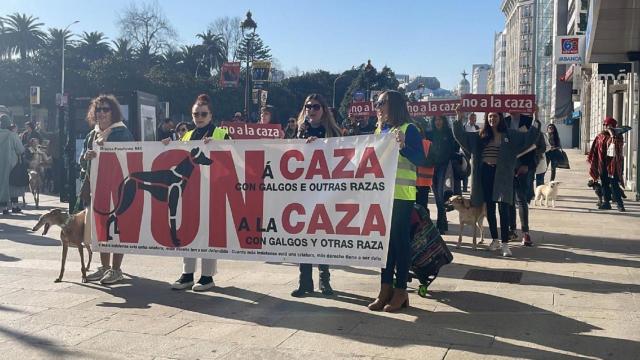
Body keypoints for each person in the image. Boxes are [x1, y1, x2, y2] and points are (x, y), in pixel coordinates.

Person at [164, 94, 230, 291]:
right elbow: (177, 160)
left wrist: (218, 148)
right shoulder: (186, 136)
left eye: (203, 114)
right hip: (190, 192)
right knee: (187, 230)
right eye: (195, 114)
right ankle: (187, 274)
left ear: (211, 115)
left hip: (213, 191)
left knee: (209, 233)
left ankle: (207, 276)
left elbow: (234, 161)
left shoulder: (221, 134)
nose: (199, 117)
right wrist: (167, 146)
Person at [368, 90, 426, 313]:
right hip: (382, 195)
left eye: (382, 102)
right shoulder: (379, 130)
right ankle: (385, 289)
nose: (378, 107)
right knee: (384, 244)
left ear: (395, 105)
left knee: (400, 243)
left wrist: (403, 146)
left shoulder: (409, 129)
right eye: (377, 103)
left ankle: (401, 290)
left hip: (402, 195)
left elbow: (421, 159)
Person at [453, 110, 540, 257]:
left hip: (503, 175)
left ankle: (505, 243)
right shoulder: (480, 135)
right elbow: (461, 137)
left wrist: (536, 118)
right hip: (485, 173)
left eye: (495, 116)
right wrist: (459, 118)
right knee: (490, 209)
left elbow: (529, 138)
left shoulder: (510, 135)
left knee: (504, 208)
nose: (492, 118)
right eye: (490, 116)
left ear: (500, 118)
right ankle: (495, 240)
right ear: (487, 118)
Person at [291, 94, 342, 298]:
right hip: (303, 191)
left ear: (324, 110)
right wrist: (300, 140)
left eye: (316, 106)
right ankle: (304, 282)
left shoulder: (333, 132)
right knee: (304, 237)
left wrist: (321, 144)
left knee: (321, 236)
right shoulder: (299, 130)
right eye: (308, 106)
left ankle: (324, 280)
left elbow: (342, 158)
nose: (311, 110)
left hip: (325, 191)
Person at [81, 95, 134, 284]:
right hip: (98, 187)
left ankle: (116, 269)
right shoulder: (92, 134)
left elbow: (130, 158)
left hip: (117, 187)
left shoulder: (122, 133)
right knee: (101, 227)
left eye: (106, 109)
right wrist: (86, 157)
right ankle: (104, 267)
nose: (101, 113)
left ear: (114, 112)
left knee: (117, 228)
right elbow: (82, 161)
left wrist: (107, 152)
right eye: (98, 110)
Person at [425, 116, 457, 234]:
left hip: (443, 166)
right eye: (436, 120)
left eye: (440, 119)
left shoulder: (448, 133)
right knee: (437, 195)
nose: (438, 122)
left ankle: (441, 225)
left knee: (440, 194)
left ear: (444, 121)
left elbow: (453, 149)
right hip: (432, 167)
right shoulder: (429, 133)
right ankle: (442, 224)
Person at [588, 116, 625, 212]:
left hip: (613, 165)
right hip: (602, 164)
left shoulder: (618, 136)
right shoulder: (600, 136)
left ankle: (620, 204)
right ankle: (606, 203)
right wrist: (594, 162)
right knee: (604, 184)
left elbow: (618, 146)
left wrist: (612, 134)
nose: (605, 126)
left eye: (607, 124)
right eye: (604, 124)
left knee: (614, 184)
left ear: (612, 125)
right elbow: (595, 149)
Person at [1, 116, 25, 215]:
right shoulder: (12, 135)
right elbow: (21, 149)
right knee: (12, 185)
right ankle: (14, 206)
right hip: (11, 163)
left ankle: (3, 207)